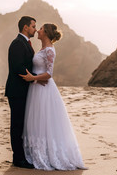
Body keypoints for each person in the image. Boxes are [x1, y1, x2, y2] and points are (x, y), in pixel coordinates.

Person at [20, 23, 86, 171]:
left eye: (41, 29)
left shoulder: (49, 50)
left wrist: (33, 78)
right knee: (36, 120)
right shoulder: (42, 49)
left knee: (45, 121)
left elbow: (49, 74)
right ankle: (36, 153)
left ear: (47, 33)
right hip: (36, 88)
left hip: (44, 90)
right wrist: (35, 79)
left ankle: (48, 155)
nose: (38, 30)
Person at [4, 16, 36, 169]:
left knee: (22, 124)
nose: (35, 29)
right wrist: (34, 78)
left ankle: (22, 155)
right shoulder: (17, 43)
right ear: (25, 27)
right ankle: (18, 158)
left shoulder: (25, 43)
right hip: (17, 91)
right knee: (17, 125)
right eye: (33, 26)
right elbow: (18, 67)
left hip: (23, 90)